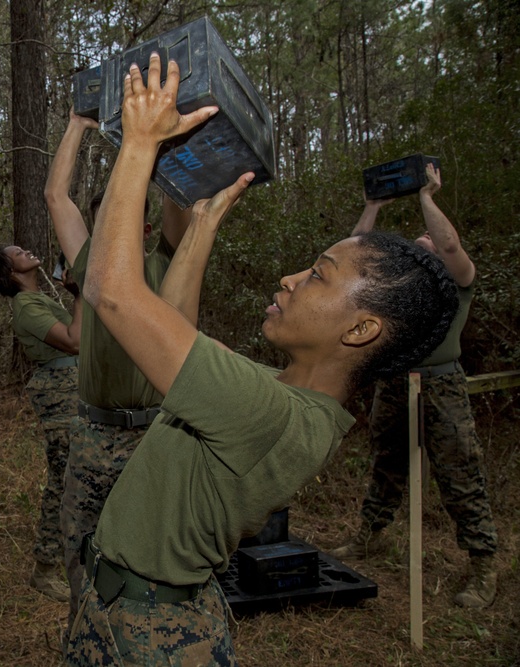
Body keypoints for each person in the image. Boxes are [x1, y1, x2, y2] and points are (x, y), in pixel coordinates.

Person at [63, 54, 459, 665]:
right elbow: (175, 329)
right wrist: (201, 227)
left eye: (319, 276)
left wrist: (137, 145)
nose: (291, 278)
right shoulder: (298, 403)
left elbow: (112, 291)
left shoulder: (267, 412)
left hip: (148, 637)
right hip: (146, 608)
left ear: (361, 328)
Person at [45, 107, 194, 627]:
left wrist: (157, 146)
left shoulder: (164, 264)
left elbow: (182, 204)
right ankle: (87, 640)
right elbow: (56, 198)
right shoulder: (91, 269)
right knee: (79, 553)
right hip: (92, 434)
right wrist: (77, 125)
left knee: (153, 557)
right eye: (106, 218)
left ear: (144, 223)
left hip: (153, 438)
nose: (113, 225)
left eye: (123, 215)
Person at [330, 164, 498, 608]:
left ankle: (484, 564)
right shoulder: (401, 286)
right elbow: (350, 257)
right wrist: (372, 207)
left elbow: (447, 243)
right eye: (418, 239)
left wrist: (427, 196)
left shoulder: (457, 281)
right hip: (393, 383)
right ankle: (371, 535)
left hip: (442, 388)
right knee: (386, 466)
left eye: (426, 238)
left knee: (460, 477)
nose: (422, 239)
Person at [0, 245, 82, 603]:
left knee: (77, 478)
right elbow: (74, 341)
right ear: (11, 272)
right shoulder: (26, 308)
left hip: (74, 391)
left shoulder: (39, 299)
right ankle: (44, 569)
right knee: (64, 482)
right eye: (17, 253)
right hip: (60, 397)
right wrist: (81, 296)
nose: (26, 251)